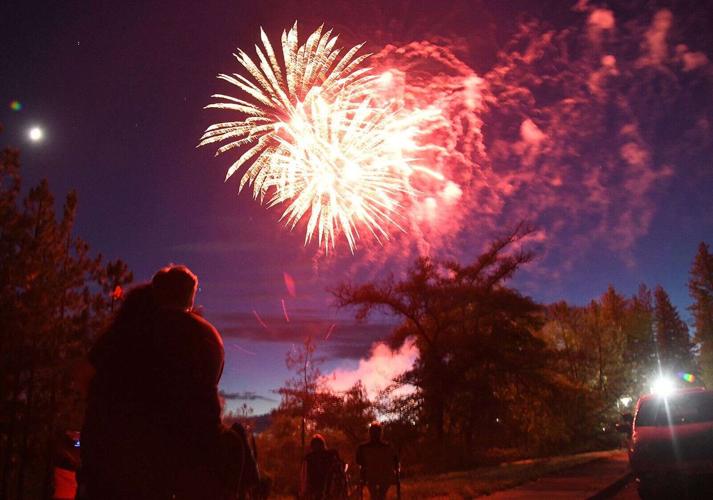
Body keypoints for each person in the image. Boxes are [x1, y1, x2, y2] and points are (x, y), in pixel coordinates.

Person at [79, 265, 226, 499]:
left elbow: (85, 375)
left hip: (123, 456)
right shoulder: (209, 337)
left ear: (156, 292)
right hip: (189, 456)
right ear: (191, 295)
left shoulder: (128, 330)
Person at [356, 423, 399, 500]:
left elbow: (359, 461)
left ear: (369, 433)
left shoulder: (362, 447)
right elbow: (395, 461)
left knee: (373, 491)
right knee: (382, 491)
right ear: (381, 433)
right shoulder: (388, 447)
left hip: (369, 475)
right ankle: (380, 496)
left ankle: (375, 497)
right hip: (386, 475)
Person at [301, 434, 346, 500]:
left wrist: (304, 490)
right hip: (323, 489)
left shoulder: (309, 458)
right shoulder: (331, 455)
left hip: (321, 488)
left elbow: (304, 477)